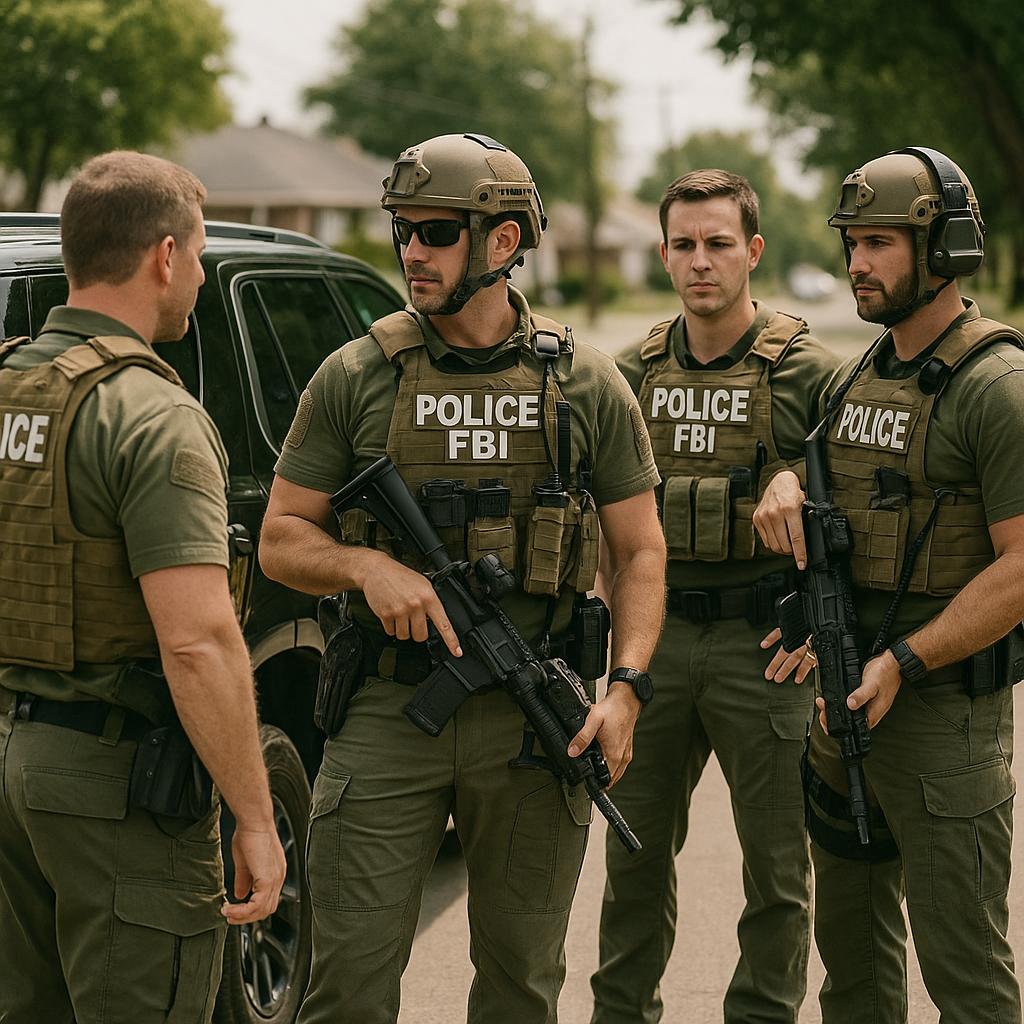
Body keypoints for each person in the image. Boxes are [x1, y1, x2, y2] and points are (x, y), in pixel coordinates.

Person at [258, 132, 666, 1024]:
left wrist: (628, 688)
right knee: (346, 988)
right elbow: (280, 538)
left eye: (436, 231)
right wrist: (365, 565)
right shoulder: (356, 373)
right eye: (401, 228)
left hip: (535, 726)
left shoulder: (586, 384)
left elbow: (638, 551)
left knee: (521, 986)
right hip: (384, 714)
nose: (411, 250)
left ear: (504, 241)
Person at [0, 151, 287, 1024]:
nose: (198, 278)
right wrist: (256, 818)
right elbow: (197, 641)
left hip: (13, 762)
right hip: (112, 782)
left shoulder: (10, 383)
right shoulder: (153, 416)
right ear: (164, 255)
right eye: (197, 257)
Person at [753, 147, 1024, 1023]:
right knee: (855, 975)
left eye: (879, 242)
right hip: (841, 712)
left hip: (941, 722)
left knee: (968, 979)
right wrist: (785, 480)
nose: (856, 262)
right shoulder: (853, 377)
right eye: (851, 241)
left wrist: (907, 658)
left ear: (943, 247)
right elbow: (824, 474)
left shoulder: (998, 387)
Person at [590, 169, 840, 1024]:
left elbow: (874, 514)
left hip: (760, 649)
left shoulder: (811, 373)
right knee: (633, 867)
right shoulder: (626, 375)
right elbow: (595, 520)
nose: (702, 261)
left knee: (777, 871)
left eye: (719, 244)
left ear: (753, 251)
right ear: (663, 253)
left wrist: (798, 502)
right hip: (653, 653)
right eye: (685, 245)